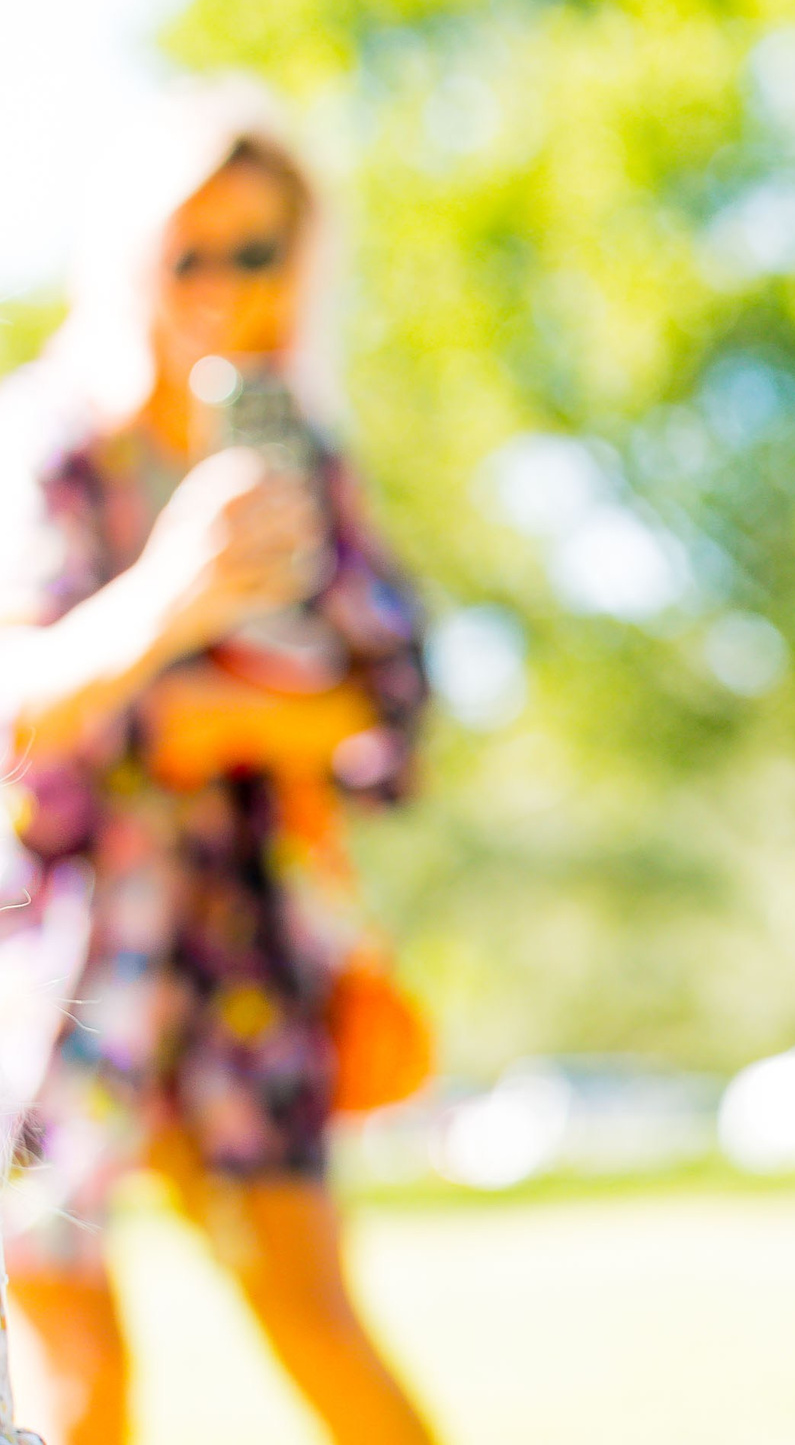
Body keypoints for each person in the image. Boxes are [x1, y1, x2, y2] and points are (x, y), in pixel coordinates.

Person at [0, 84, 436, 1445]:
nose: (224, 288)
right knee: (74, 1362)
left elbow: (394, 706)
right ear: (129, 253)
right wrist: (169, 606)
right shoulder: (51, 444)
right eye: (189, 252)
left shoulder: (301, 458)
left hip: (244, 950)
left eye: (259, 252)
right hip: (66, 958)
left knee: (319, 1324)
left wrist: (227, 717)